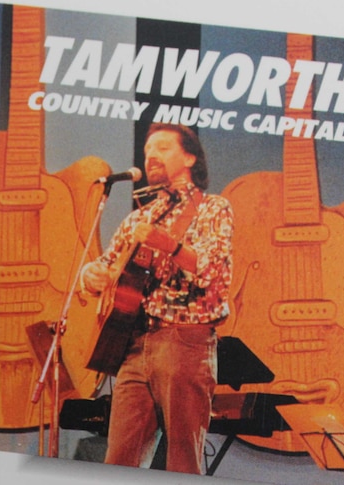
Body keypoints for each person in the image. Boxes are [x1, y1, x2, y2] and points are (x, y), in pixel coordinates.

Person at [81, 123, 233, 474]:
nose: (151, 156)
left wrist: (167, 243)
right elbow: (101, 267)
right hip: (134, 345)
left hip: (185, 342)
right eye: (148, 150)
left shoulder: (214, 209)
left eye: (163, 148)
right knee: (119, 459)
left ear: (190, 157)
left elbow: (211, 270)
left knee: (183, 461)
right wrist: (90, 277)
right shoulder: (139, 216)